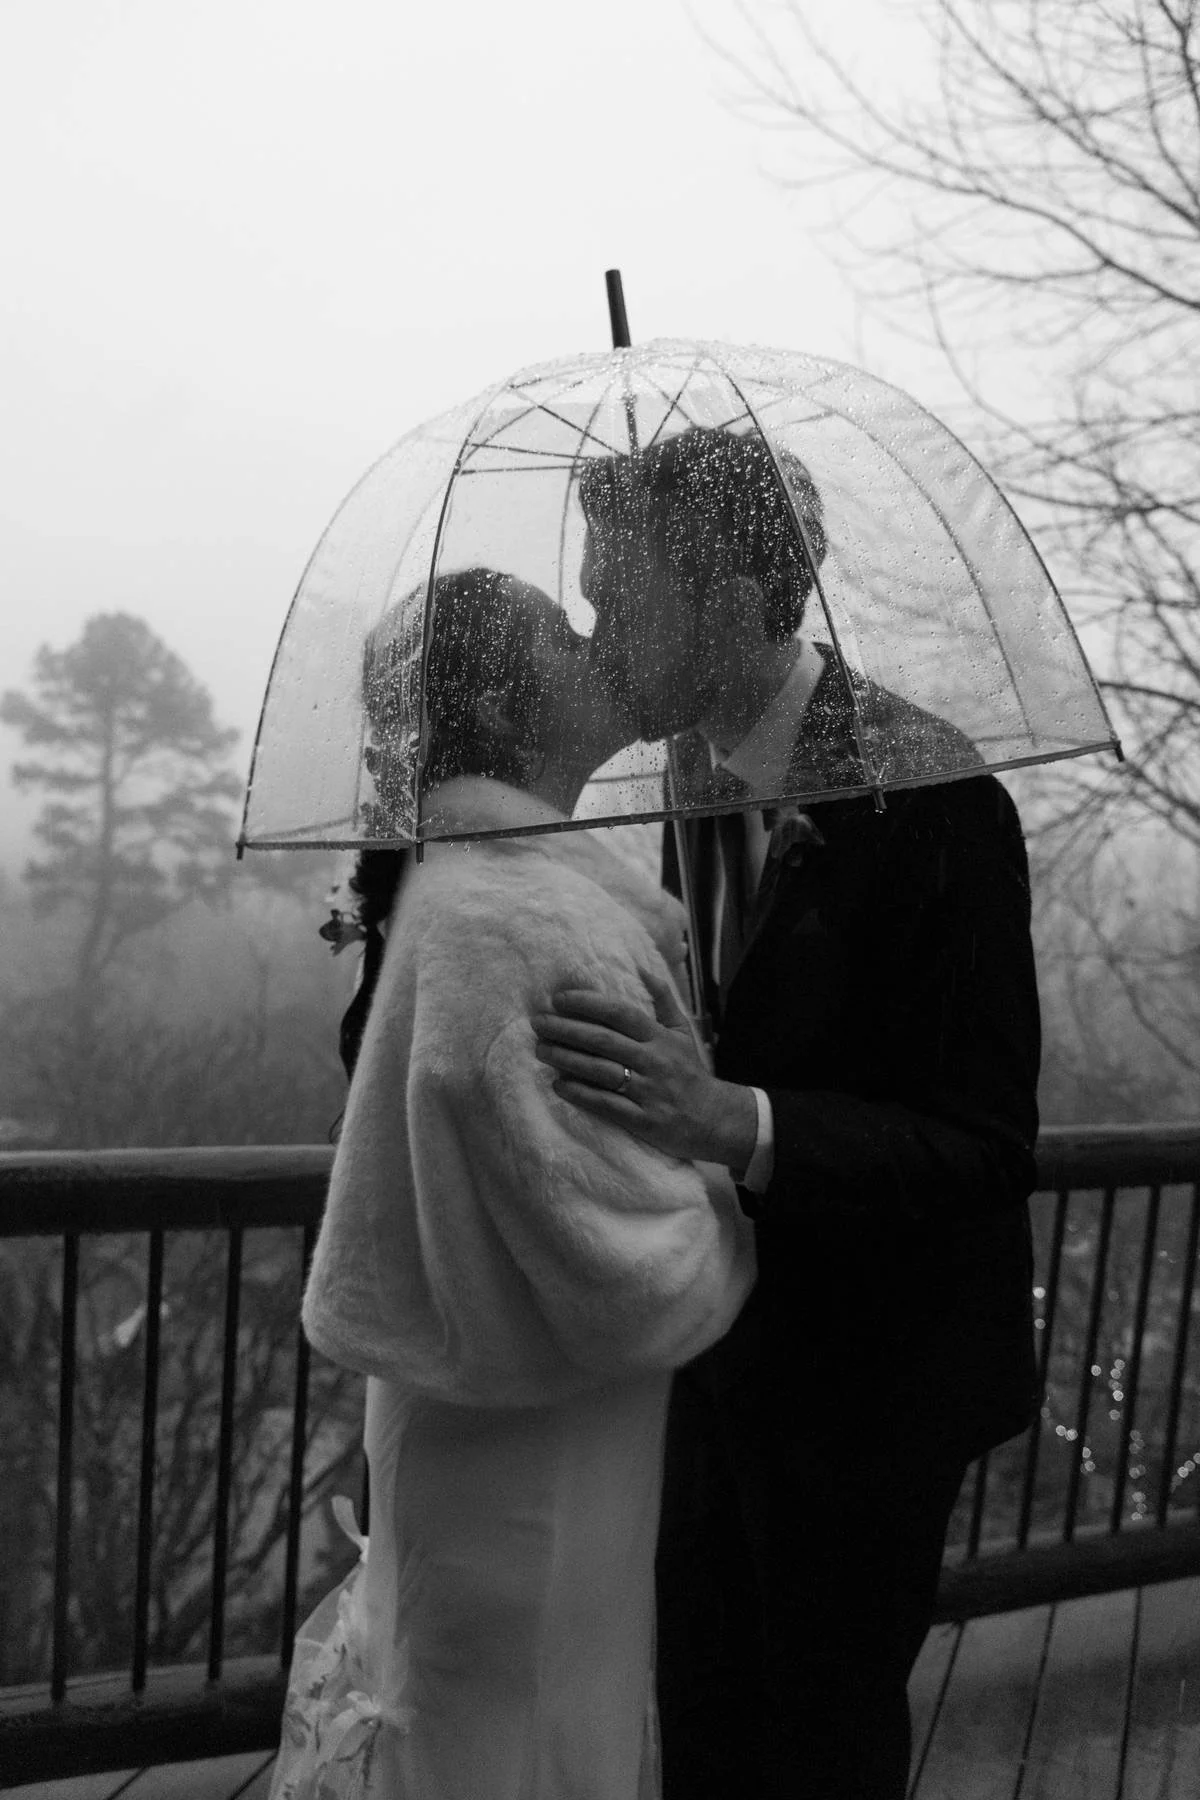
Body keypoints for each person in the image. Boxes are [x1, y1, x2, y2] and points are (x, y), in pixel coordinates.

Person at [532, 429, 1042, 1800]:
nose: (595, 631)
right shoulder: (694, 779)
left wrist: (734, 1118)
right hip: (717, 1360)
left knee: (820, 1744)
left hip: (878, 1384)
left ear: (733, 592)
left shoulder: (934, 797)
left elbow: (985, 1147)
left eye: (618, 596)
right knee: (703, 1723)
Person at [270, 566, 755, 1800]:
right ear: (509, 695)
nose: (594, 636)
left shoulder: (489, 894)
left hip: (499, 1428)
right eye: (560, 628)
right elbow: (615, 1272)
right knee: (518, 1751)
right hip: (530, 1462)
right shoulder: (518, 921)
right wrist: (726, 1204)